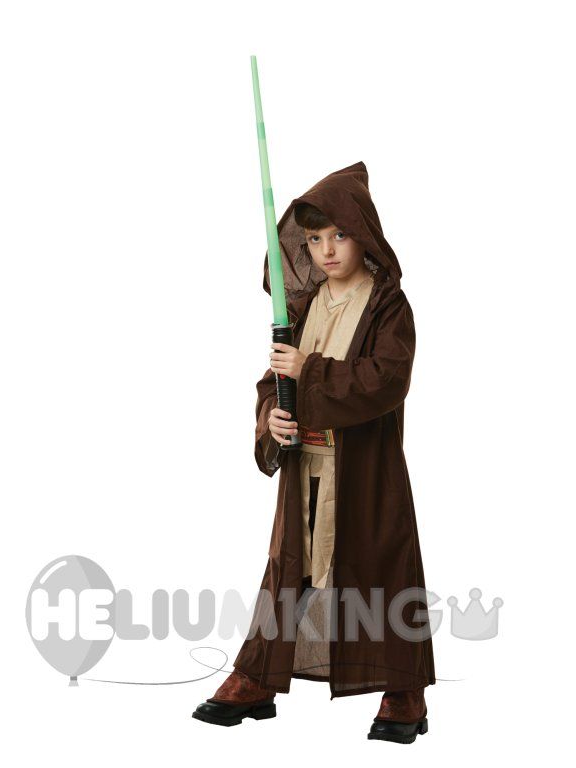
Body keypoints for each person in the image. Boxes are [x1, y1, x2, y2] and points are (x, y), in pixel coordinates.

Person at [192, 161, 435, 744]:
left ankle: (404, 689)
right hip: (305, 465)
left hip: (364, 471)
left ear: (363, 233)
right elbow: (273, 382)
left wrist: (311, 371)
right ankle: (257, 677)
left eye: (339, 235)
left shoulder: (387, 306)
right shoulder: (301, 309)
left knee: (381, 570)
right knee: (289, 570)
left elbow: (387, 380)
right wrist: (271, 418)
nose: (326, 250)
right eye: (314, 239)